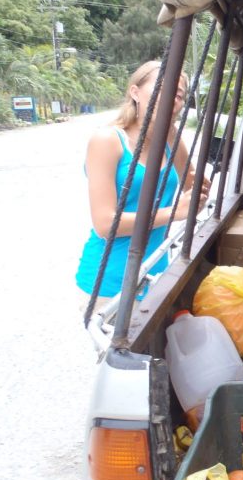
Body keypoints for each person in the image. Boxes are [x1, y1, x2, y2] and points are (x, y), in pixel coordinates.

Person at [75, 60, 208, 308]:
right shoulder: (108, 140)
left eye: (178, 95)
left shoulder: (171, 141)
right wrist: (173, 213)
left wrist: (197, 195)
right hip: (110, 283)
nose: (171, 98)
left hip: (155, 273)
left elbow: (196, 189)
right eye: (161, 88)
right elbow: (105, 224)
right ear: (135, 92)